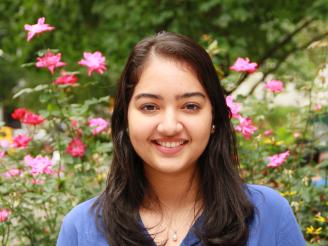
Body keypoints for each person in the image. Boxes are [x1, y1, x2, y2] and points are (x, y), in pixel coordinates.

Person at [57, 32, 306, 246]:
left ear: (214, 118)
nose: (169, 126)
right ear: (125, 119)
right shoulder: (83, 228)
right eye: (149, 107)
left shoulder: (268, 215)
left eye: (190, 106)